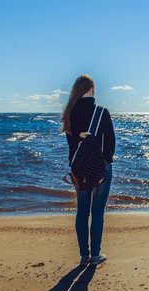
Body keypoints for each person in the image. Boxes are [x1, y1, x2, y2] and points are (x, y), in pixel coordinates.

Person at [61, 74, 115, 267]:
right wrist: (104, 166)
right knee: (97, 212)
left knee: (82, 211)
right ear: (92, 90)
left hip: (79, 170)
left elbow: (71, 146)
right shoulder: (102, 112)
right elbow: (110, 145)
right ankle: (95, 256)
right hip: (101, 170)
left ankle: (84, 255)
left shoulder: (70, 113)